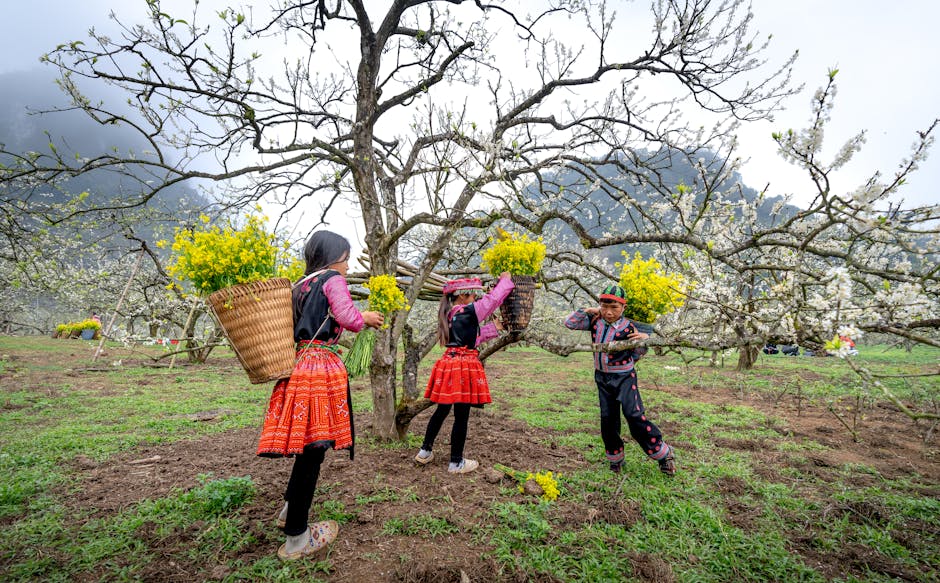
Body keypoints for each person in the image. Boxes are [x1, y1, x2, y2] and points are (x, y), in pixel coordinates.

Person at [256, 231, 384, 560]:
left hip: (299, 364)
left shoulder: (300, 285)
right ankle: (297, 537)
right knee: (314, 450)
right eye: (345, 256)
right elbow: (347, 318)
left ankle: (288, 511)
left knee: (307, 446)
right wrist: (365, 318)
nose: (347, 263)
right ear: (333, 256)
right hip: (320, 367)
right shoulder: (331, 279)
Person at [564, 284, 676, 476]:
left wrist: (645, 338)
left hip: (625, 377)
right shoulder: (595, 321)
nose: (608, 312)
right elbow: (570, 323)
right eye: (604, 307)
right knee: (608, 419)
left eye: (614, 308)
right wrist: (588, 310)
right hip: (602, 377)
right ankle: (615, 458)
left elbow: (648, 342)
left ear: (623, 307)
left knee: (634, 415)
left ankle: (663, 454)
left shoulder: (630, 326)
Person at [414, 273, 514, 474]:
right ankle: (456, 462)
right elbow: (493, 301)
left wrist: (493, 328)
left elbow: (470, 339)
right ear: (462, 296)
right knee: (461, 415)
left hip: (449, 363)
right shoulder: (468, 311)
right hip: (462, 367)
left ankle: (425, 452)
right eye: (473, 295)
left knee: (442, 410)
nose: (476, 299)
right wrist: (505, 280)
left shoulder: (452, 314)